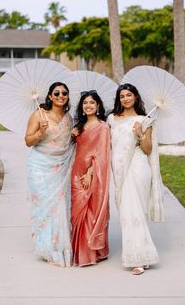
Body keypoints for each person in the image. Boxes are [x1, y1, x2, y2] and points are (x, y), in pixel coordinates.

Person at [107, 83, 164, 275]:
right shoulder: (112, 119)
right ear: (119, 99)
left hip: (138, 168)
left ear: (136, 97)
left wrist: (139, 132)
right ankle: (143, 254)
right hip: (120, 170)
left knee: (135, 212)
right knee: (126, 213)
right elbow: (108, 146)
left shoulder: (145, 120)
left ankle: (137, 258)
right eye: (122, 96)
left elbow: (148, 149)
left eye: (129, 95)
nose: (125, 99)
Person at [25, 82, 75, 267]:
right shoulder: (39, 115)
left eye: (64, 93)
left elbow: (67, 141)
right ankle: (47, 248)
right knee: (45, 207)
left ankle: (60, 244)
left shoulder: (68, 117)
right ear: (50, 96)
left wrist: (75, 135)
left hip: (60, 166)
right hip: (39, 166)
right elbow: (28, 141)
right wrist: (40, 132)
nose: (61, 95)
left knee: (60, 206)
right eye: (57, 93)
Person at [71, 90, 110, 266]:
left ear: (98, 106)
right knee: (77, 212)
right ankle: (79, 250)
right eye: (85, 103)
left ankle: (91, 253)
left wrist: (90, 173)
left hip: (93, 174)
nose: (88, 106)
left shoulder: (103, 127)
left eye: (92, 103)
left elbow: (102, 154)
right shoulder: (78, 127)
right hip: (76, 173)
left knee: (92, 212)